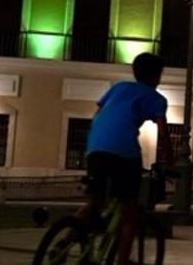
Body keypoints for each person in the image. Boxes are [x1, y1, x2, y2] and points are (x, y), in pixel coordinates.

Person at [64, 53, 172, 265]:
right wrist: (169, 160)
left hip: (95, 147)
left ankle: (65, 241)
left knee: (95, 201)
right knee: (130, 210)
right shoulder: (157, 98)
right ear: (157, 75)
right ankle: (122, 261)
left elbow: (98, 115)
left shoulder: (119, 87)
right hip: (123, 153)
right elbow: (164, 133)